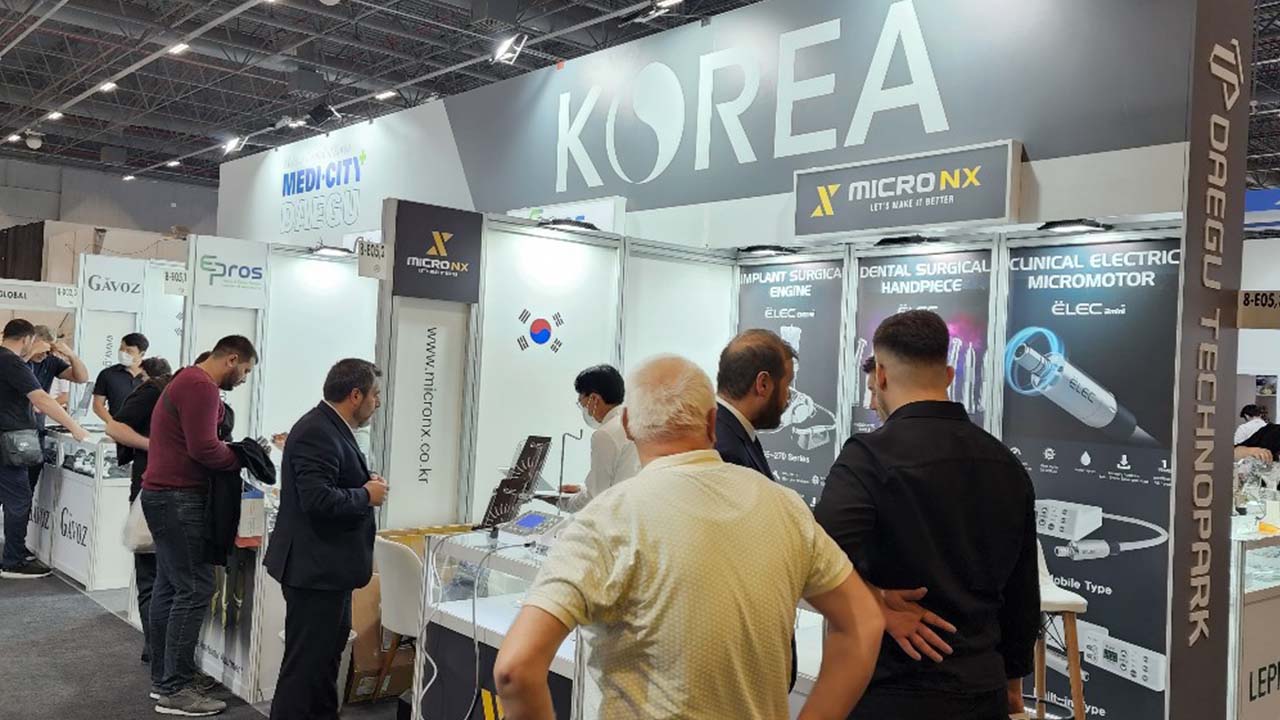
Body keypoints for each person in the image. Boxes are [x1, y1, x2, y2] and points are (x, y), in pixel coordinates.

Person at [494, 355, 884, 720]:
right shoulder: (785, 506)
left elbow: (516, 670)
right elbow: (864, 622)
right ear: (712, 423)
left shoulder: (604, 519)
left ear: (627, 424)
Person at [814, 310, 1039, 720]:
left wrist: (877, 604)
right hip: (981, 688)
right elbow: (1022, 594)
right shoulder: (1006, 464)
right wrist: (1011, 686)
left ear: (881, 375)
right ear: (949, 375)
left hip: (893, 688)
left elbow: (815, 555)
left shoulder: (867, 458)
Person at [141, 336, 257, 717]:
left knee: (170, 587)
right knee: (194, 588)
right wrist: (240, 458)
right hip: (178, 498)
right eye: (245, 371)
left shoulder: (187, 380)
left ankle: (165, 679)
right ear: (232, 359)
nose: (244, 379)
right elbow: (204, 448)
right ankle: (175, 687)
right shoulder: (200, 385)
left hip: (164, 496)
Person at [266, 359, 388, 720]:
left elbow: (330, 482)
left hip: (328, 570)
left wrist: (364, 483)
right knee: (305, 669)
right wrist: (366, 495)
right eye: (375, 394)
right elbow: (317, 499)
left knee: (322, 665)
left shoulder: (330, 427)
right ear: (355, 395)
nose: (377, 403)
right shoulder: (317, 431)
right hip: (314, 571)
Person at [0, 319, 90, 579]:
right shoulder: (12, 362)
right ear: (28, 339)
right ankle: (13, 562)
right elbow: (40, 398)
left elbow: (80, 378)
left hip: (9, 439)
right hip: (11, 441)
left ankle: (15, 552)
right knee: (19, 499)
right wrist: (75, 428)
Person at [106, 357, 174, 664]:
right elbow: (115, 427)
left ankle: (160, 649)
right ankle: (157, 650)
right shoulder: (155, 391)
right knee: (151, 575)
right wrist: (154, 446)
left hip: (171, 495)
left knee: (165, 579)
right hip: (149, 492)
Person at [713, 328, 796, 480]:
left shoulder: (726, 429)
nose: (789, 396)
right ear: (763, 384)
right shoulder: (727, 454)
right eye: (787, 385)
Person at [559, 364, 640, 511]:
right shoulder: (634, 422)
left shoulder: (605, 434)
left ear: (594, 399)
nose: (584, 409)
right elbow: (622, 477)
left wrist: (559, 502)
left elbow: (594, 498)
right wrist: (582, 488)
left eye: (581, 403)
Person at [26, 325, 89, 492]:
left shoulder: (50, 361)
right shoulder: (14, 361)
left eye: (48, 351)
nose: (44, 354)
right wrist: (31, 352)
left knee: (26, 490)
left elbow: (82, 378)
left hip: (34, 432)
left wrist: (71, 356)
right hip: (10, 430)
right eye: (42, 349)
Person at [93, 331, 149, 423]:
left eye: (129, 351)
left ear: (142, 354)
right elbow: (97, 405)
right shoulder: (108, 374)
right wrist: (112, 423)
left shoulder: (152, 375)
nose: (123, 353)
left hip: (147, 428)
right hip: (117, 426)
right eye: (121, 349)